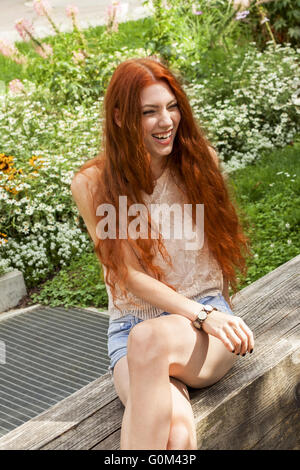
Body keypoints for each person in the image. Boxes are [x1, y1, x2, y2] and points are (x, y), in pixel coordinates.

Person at [70, 57, 255, 450]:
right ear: (120, 118)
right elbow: (126, 274)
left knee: (150, 339)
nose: (166, 120)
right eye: (149, 112)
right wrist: (200, 315)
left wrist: (204, 315)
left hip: (204, 324)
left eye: (171, 107)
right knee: (175, 435)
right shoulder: (92, 184)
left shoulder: (198, 162)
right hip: (131, 332)